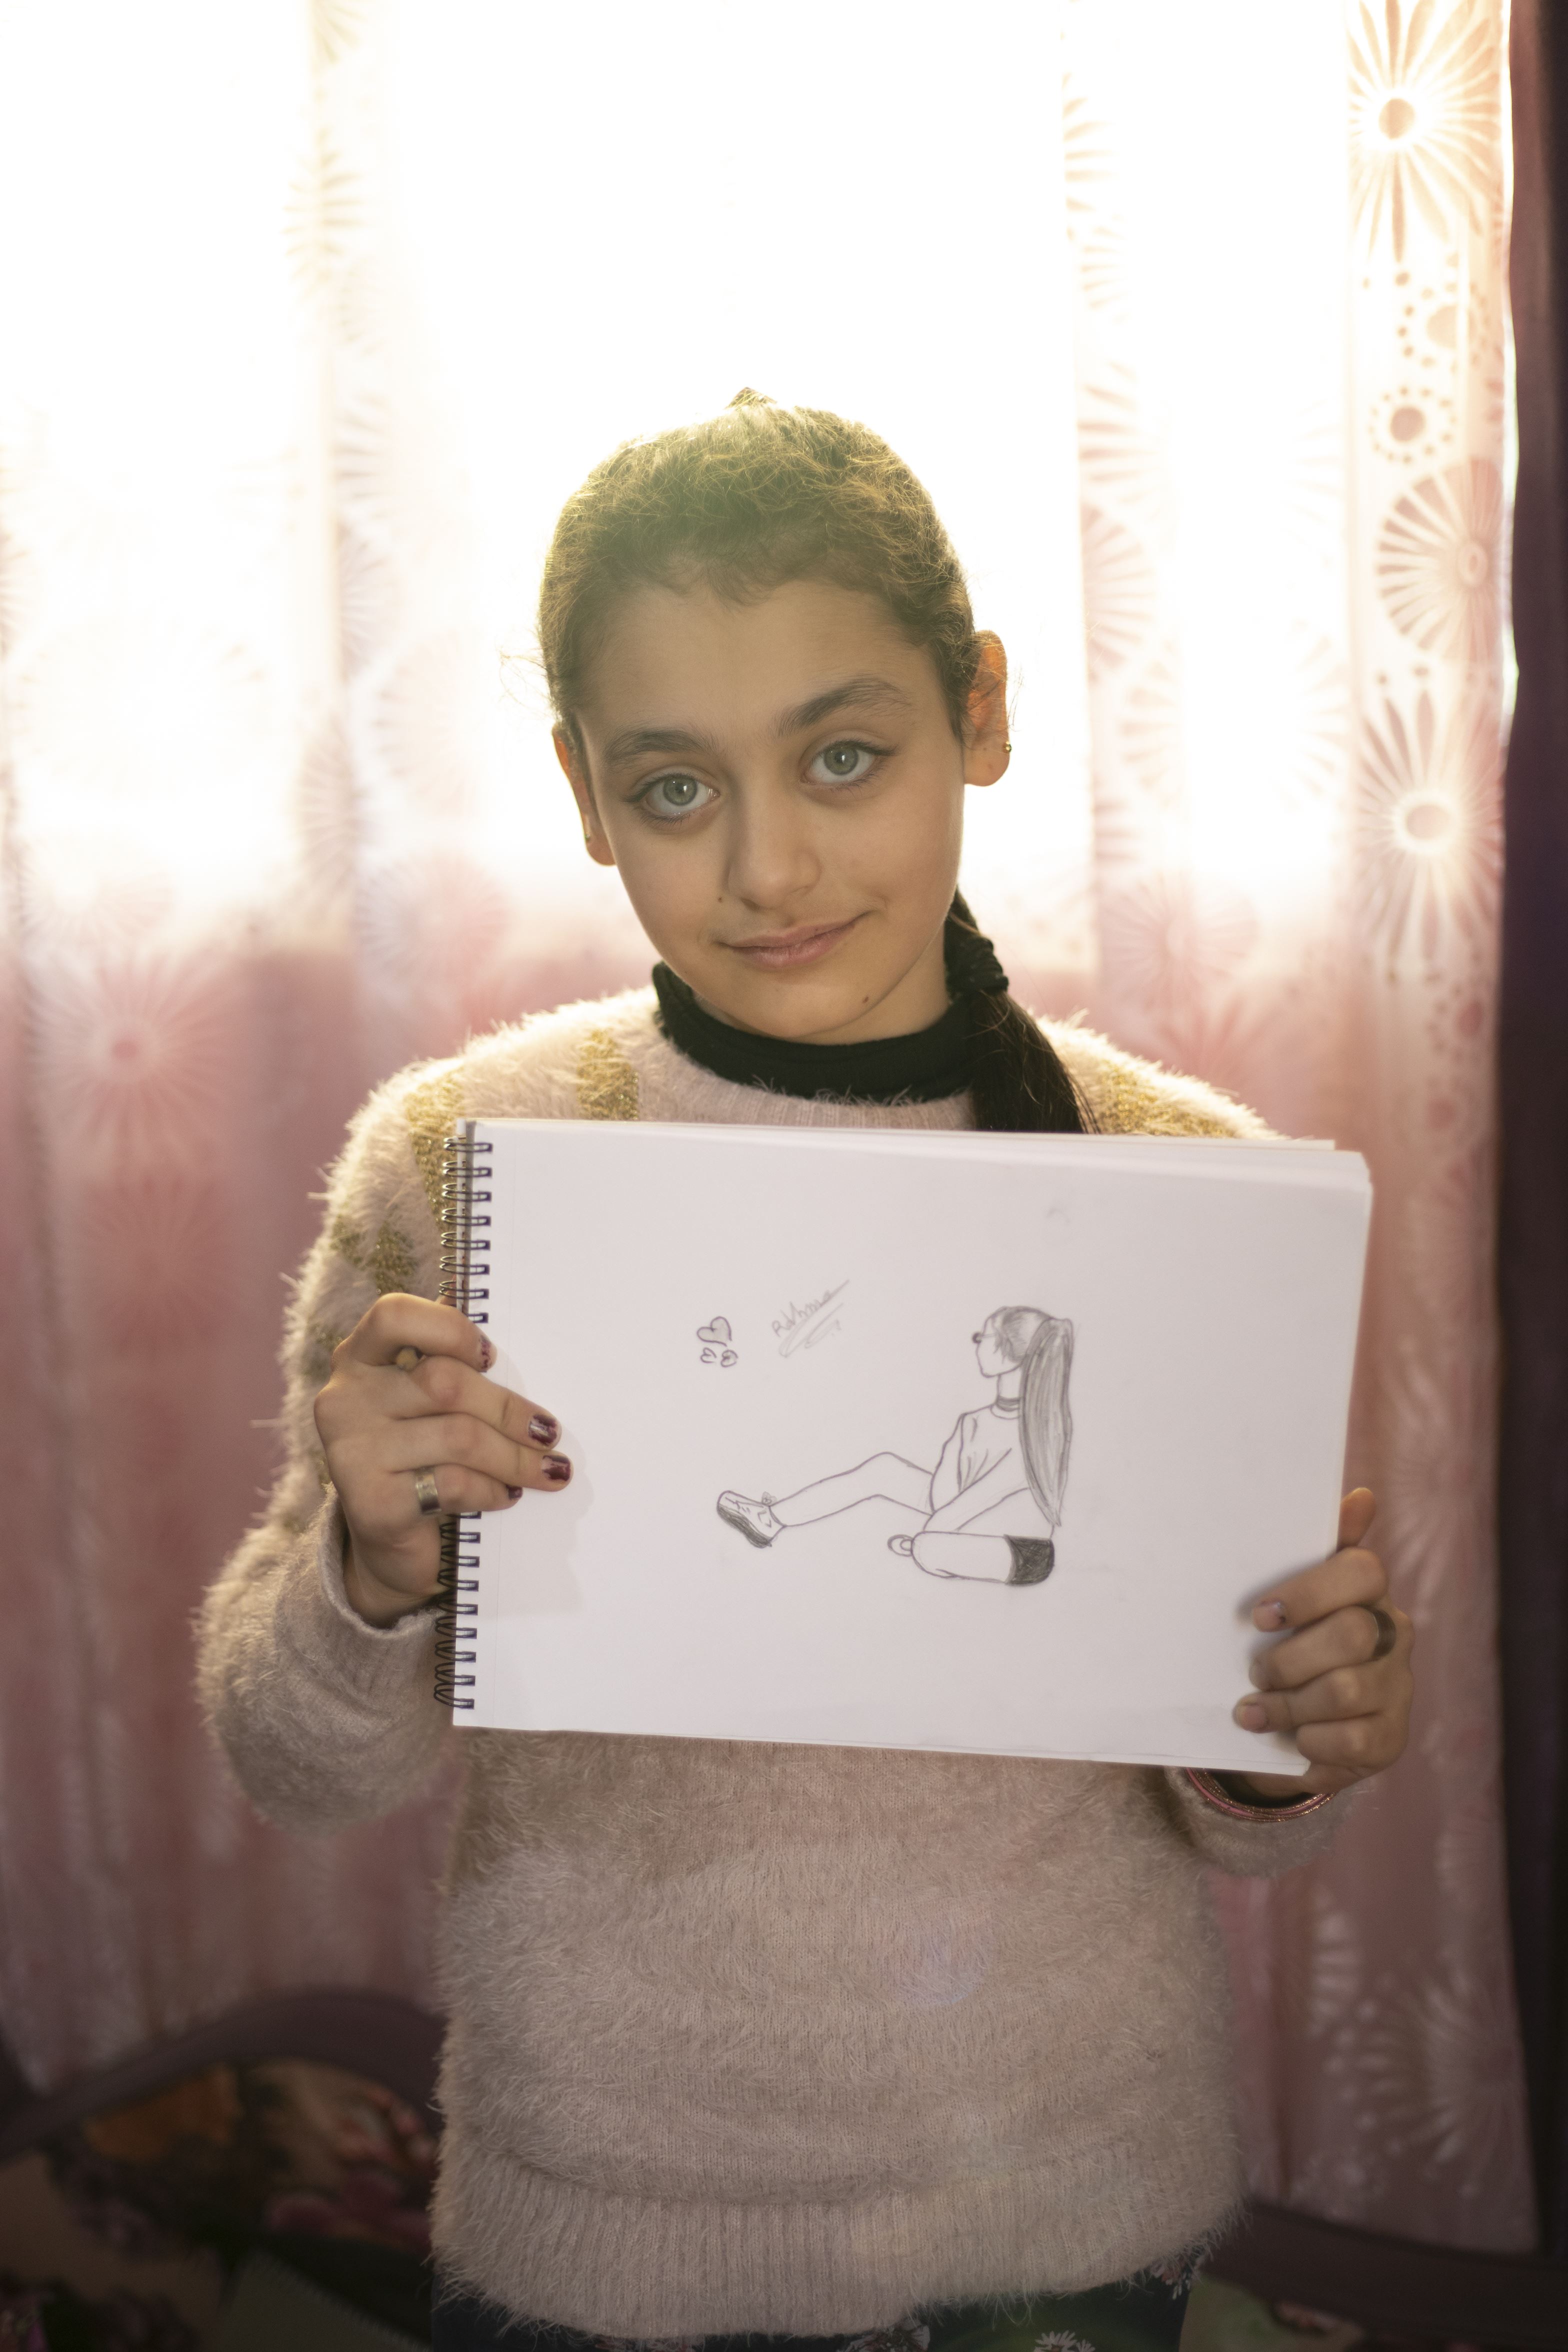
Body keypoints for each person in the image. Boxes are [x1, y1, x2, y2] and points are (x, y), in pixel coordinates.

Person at [198, 393, 1414, 2352]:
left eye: (843, 755)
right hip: (598, 2222)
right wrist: (368, 1567)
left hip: (1069, 2203)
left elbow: (1241, 1799)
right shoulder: (462, 1160)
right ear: (587, 795)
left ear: (982, 716)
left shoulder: (1182, 1185)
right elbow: (294, 1756)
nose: (769, 865)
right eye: (675, 788)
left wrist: (1299, 1717)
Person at [717, 1304, 1072, 1586]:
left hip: (1023, 1551)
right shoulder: (976, 1420)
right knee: (885, 1468)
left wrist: (931, 1533)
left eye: (986, 1336)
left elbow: (963, 1508)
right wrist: (959, 1442)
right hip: (968, 1525)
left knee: (928, 1547)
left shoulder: (1035, 1435)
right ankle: (772, 1519)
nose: (976, 1340)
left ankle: (932, 1549)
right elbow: (945, 1499)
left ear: (1009, 1355)